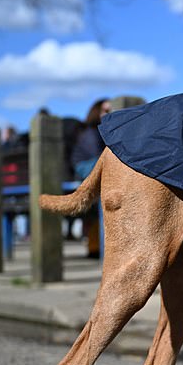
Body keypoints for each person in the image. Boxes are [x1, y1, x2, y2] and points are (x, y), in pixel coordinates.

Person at [71, 98, 111, 258]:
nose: (110, 113)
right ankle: (96, 246)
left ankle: (96, 245)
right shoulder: (90, 133)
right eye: (106, 110)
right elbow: (98, 158)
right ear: (97, 112)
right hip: (85, 167)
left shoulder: (99, 132)